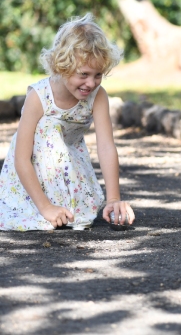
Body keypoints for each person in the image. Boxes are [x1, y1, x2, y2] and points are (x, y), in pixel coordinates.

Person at [0, 14, 135, 231]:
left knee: (76, 217)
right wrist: (45, 207)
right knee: (48, 126)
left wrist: (113, 199)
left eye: (98, 75)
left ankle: (64, 207)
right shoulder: (39, 96)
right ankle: (47, 207)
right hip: (31, 170)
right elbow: (21, 158)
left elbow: (106, 146)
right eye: (83, 74)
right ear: (62, 66)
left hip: (69, 164)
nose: (91, 83)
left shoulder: (98, 96)